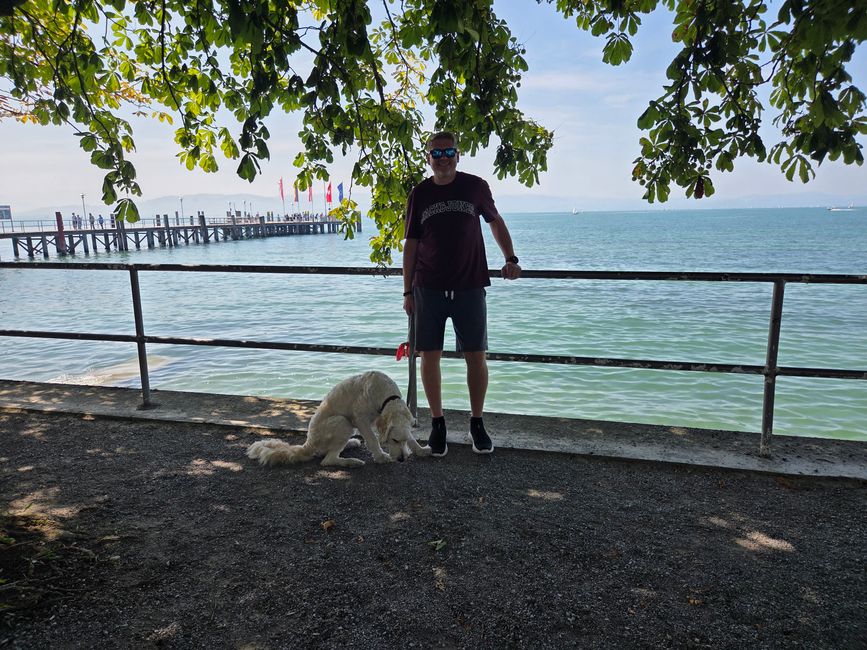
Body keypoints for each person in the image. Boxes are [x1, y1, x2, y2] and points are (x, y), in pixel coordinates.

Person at [402, 131, 521, 457]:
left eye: (449, 152)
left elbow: (495, 223)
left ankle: (477, 423)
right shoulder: (420, 194)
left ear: (458, 154)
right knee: (429, 356)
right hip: (427, 286)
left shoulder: (475, 186)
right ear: (428, 157)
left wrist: (510, 258)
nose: (443, 158)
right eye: (436, 154)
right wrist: (407, 290)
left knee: (476, 356)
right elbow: (410, 243)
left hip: (470, 284)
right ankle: (437, 424)